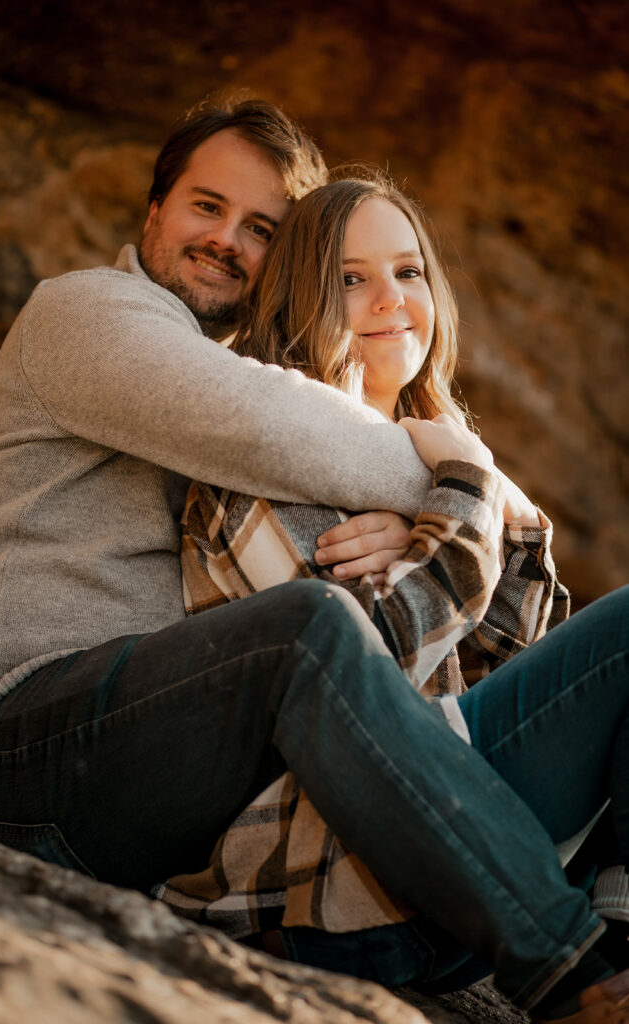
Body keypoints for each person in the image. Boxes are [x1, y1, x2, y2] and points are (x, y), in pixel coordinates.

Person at [0, 98, 625, 1023]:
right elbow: (271, 426)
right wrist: (460, 486)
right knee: (305, 629)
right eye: (204, 206)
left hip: (172, 766)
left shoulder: (261, 382)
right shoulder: (89, 313)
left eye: (260, 227)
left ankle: (614, 936)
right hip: (13, 744)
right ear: (151, 211)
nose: (226, 239)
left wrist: (444, 510)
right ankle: (569, 971)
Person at [154, 176, 629, 1022]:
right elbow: (361, 691)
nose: (390, 299)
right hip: (329, 892)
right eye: (349, 278)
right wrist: (469, 493)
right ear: (302, 293)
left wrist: (448, 518)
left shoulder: (424, 458)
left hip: (457, 854)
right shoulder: (262, 452)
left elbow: (512, 668)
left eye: (408, 271)